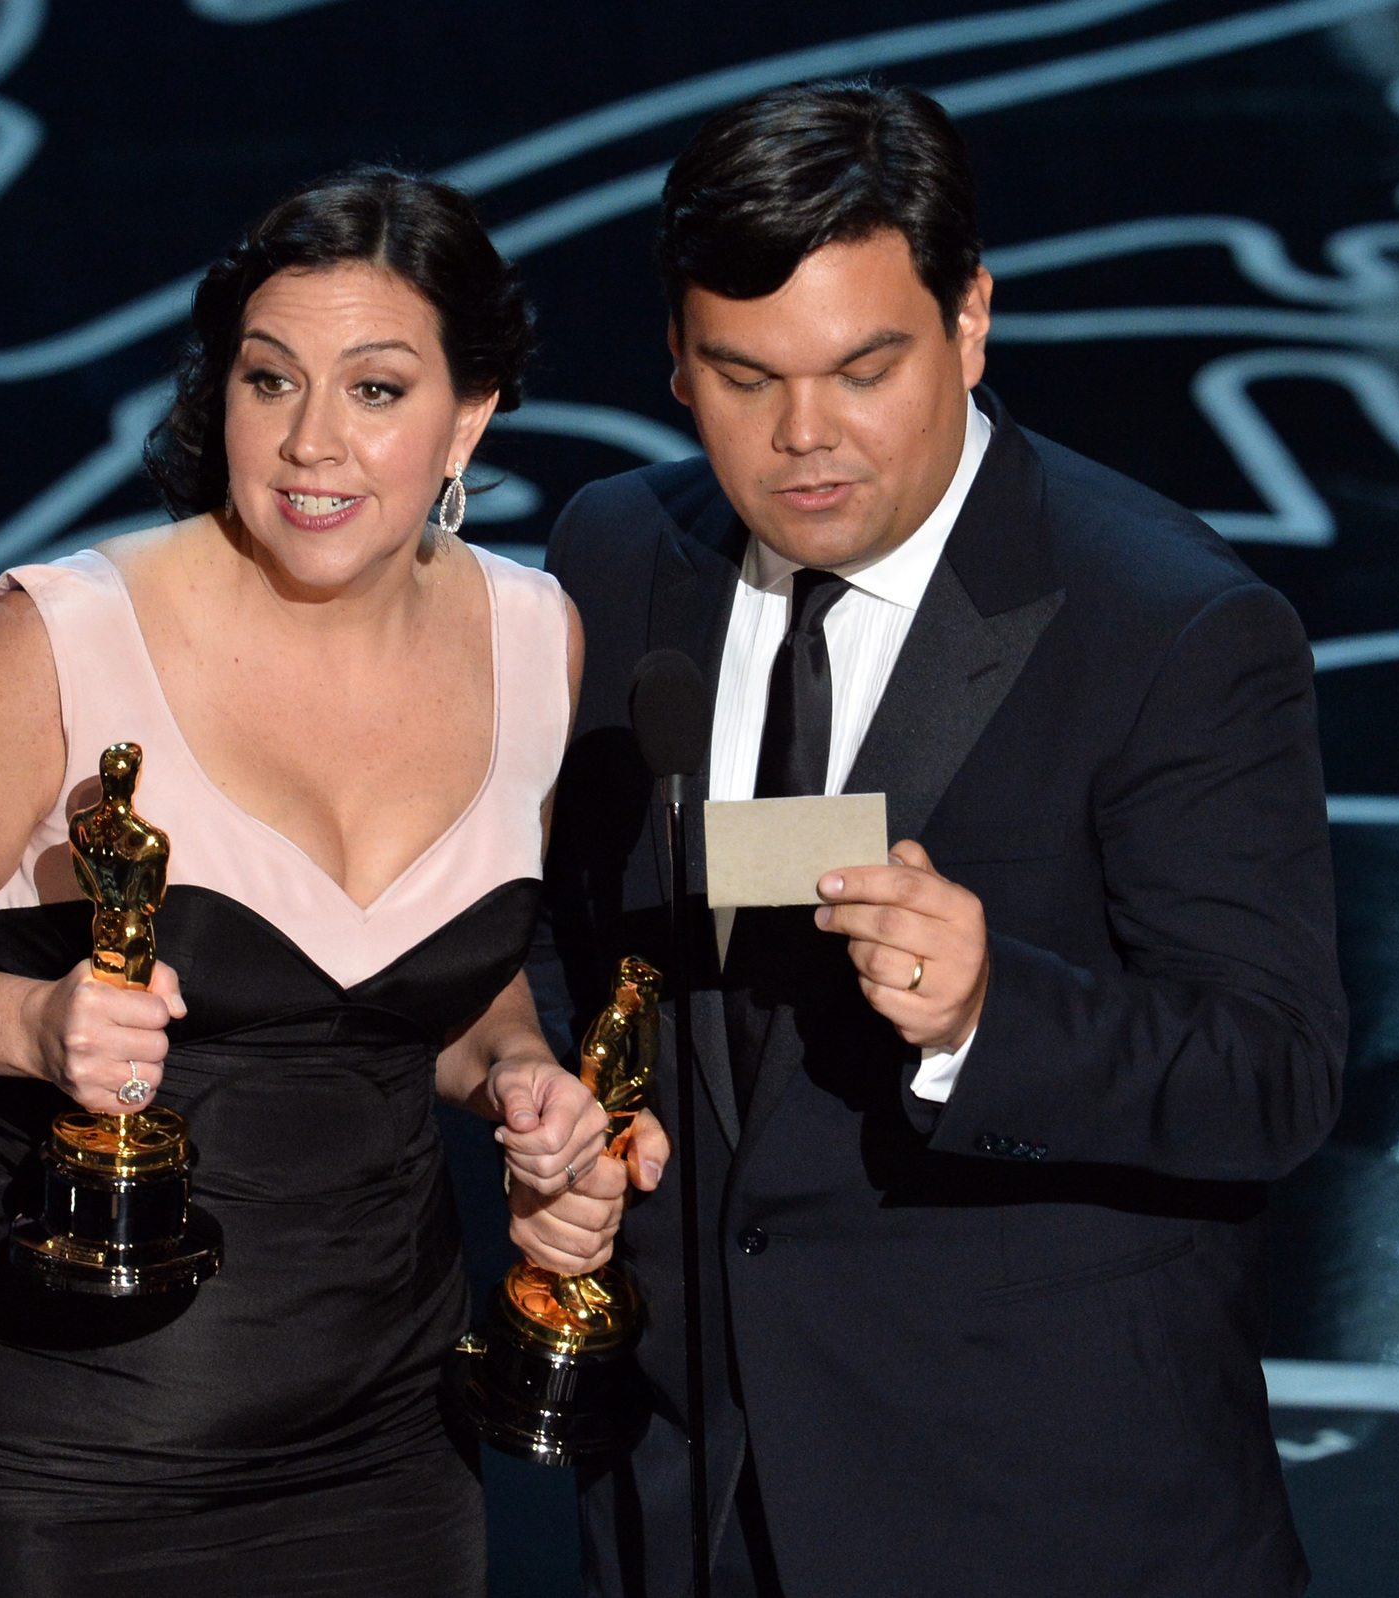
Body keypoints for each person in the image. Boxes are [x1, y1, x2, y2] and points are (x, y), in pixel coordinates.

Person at [0, 166, 663, 1598]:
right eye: (267, 379)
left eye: (375, 389)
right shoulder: (64, 637)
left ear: (468, 415)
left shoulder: (533, 637)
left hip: (380, 1421)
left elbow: (445, 976)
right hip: (37, 1433)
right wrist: (30, 1026)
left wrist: (522, 1080)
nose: (311, 441)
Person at [534, 84, 1347, 1597]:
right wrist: (554, 1104)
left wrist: (991, 1016)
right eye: (743, 376)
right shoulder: (616, 554)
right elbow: (568, 926)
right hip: (689, 1504)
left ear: (971, 322)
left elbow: (1273, 1073)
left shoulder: (1171, 627)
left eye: (865, 366)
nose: (805, 437)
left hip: (1038, 1519)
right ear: (673, 359)